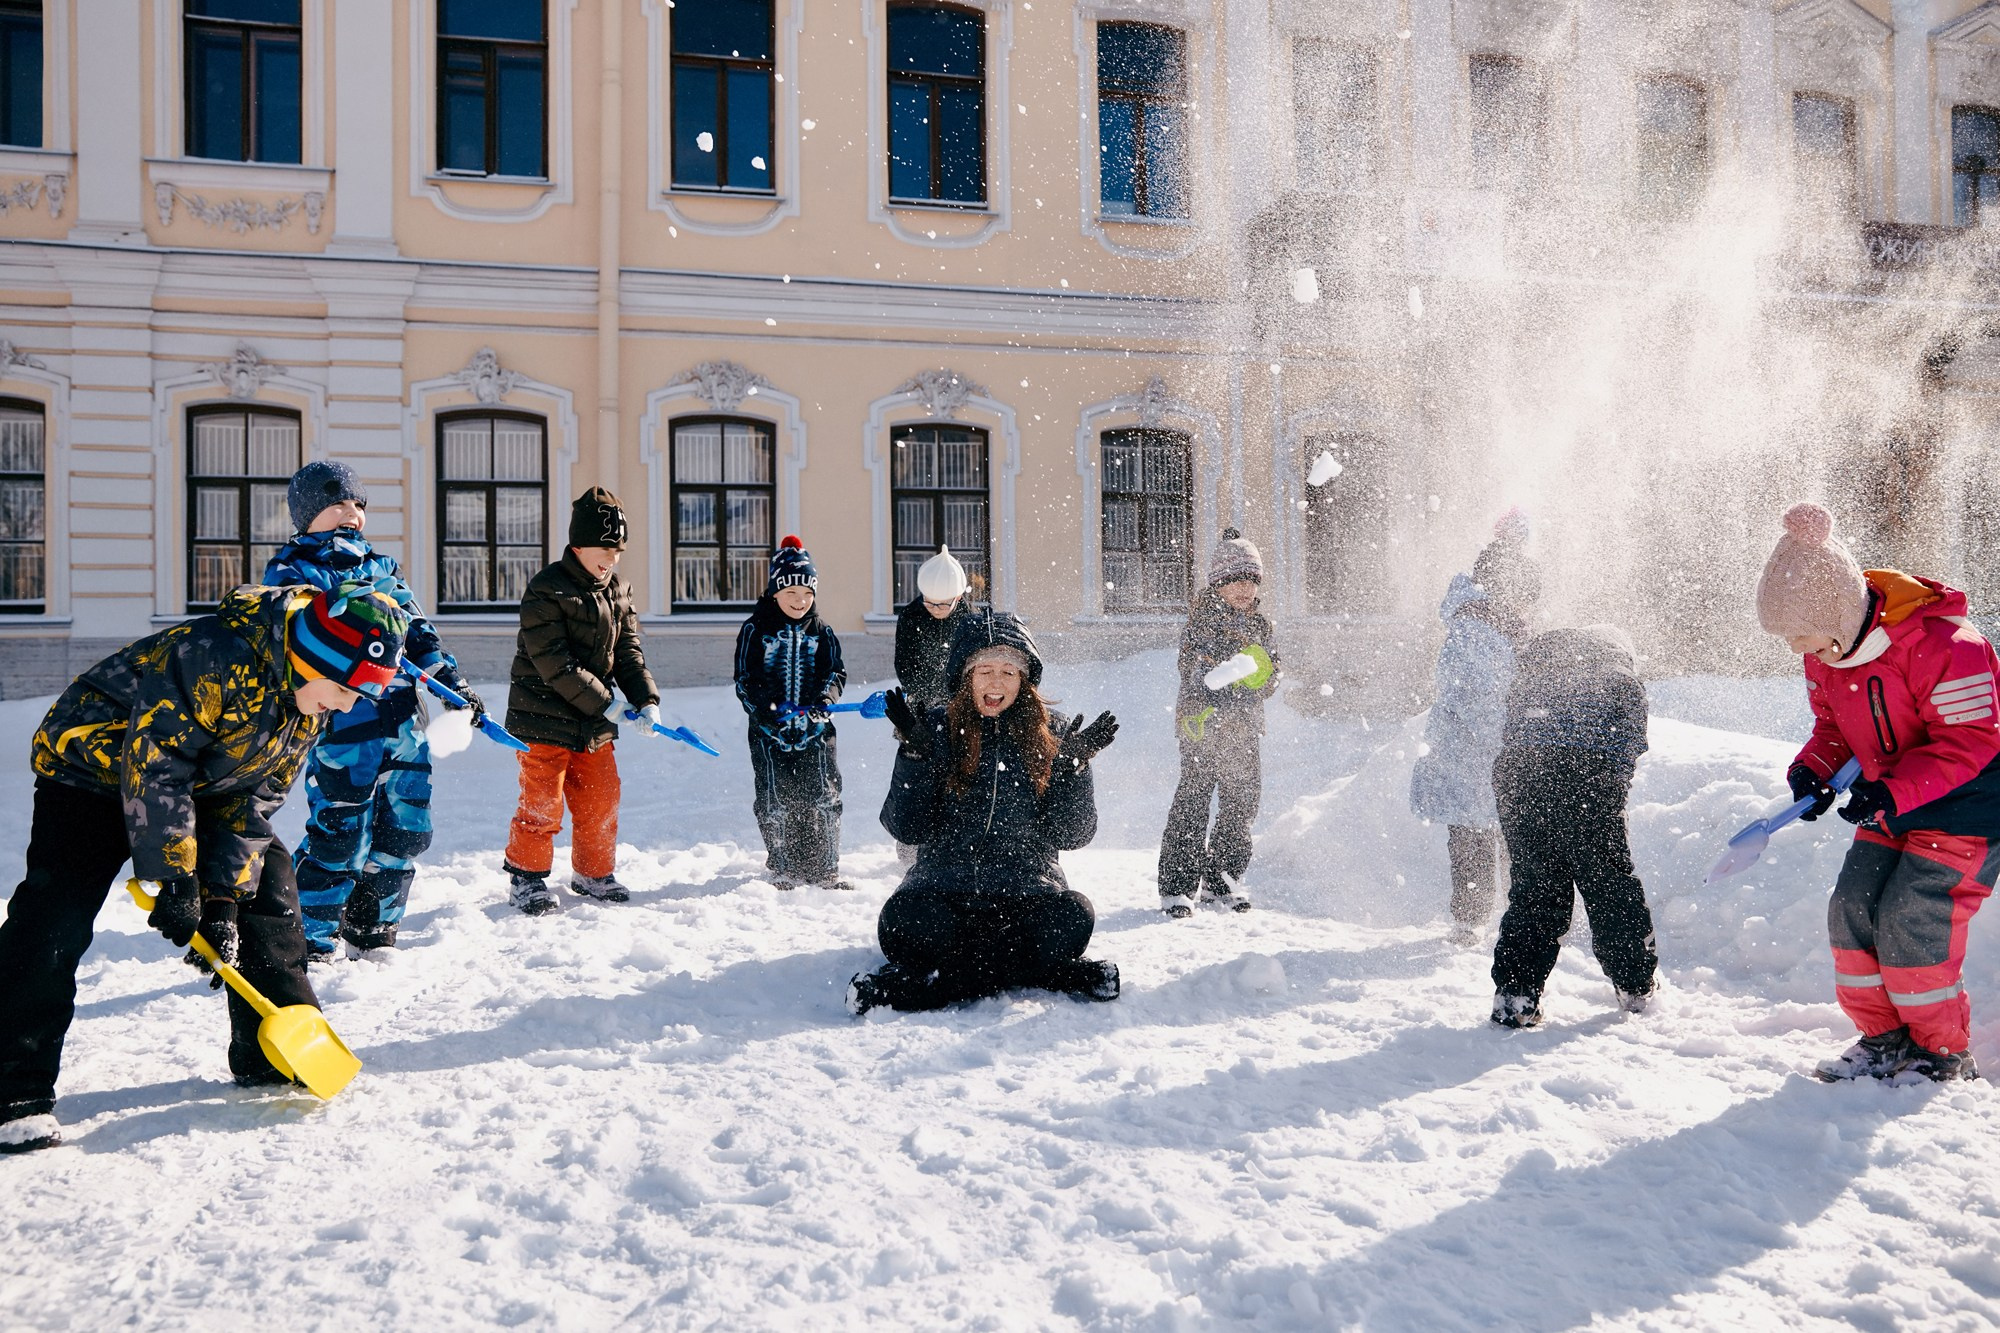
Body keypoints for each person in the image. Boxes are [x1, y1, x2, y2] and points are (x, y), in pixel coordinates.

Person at [0, 581, 409, 1153]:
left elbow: (256, 797)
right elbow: (157, 766)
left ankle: (272, 1049)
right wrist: (174, 879)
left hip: (206, 782)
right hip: (91, 769)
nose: (347, 704)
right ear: (309, 656)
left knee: (269, 897)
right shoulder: (213, 656)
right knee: (54, 917)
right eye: (344, 689)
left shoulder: (306, 697)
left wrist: (220, 897)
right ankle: (15, 1090)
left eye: (359, 695)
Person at [1756, 502, 2000, 1082]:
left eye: (1800, 634)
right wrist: (1813, 772)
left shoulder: (1948, 645)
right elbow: (1835, 729)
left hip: (1966, 808)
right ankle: (1883, 1040)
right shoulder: (1830, 653)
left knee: (1912, 921)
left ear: (1838, 615)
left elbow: (1970, 742)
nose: (1796, 649)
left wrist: (1889, 791)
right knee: (1852, 910)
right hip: (1892, 802)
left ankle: (1941, 1054)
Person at [263, 460, 485, 961]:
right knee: (340, 835)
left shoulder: (382, 568)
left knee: (404, 831)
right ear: (307, 514)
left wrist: (453, 684)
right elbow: (297, 640)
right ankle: (307, 937)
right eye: (337, 504)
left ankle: (372, 929)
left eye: (358, 505)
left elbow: (420, 633)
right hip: (343, 723)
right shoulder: (293, 570)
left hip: (404, 720)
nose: (351, 514)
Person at [849, 610, 1121, 1013]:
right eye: (985, 671)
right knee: (902, 920)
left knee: (1074, 915)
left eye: (1009, 672)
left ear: (1025, 681)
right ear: (966, 676)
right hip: (942, 896)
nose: (996, 682)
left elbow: (1073, 835)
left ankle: (924, 987)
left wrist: (1073, 769)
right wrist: (915, 755)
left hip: (1027, 898)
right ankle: (1051, 973)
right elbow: (906, 828)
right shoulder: (934, 728)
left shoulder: (1057, 734)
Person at [502, 488, 661, 916]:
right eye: (604, 548)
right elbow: (554, 661)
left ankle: (593, 872)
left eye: (618, 550)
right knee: (543, 801)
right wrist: (607, 703)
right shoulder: (545, 590)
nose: (611, 559)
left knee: (602, 796)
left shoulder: (619, 589)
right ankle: (527, 878)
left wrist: (645, 698)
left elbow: (627, 650)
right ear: (577, 545)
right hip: (543, 716)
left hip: (593, 721)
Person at [1489, 624, 1655, 1029]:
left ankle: (1515, 994)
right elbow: (1631, 747)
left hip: (1519, 778)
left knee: (1535, 889)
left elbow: (1512, 734)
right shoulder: (1622, 680)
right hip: (1587, 778)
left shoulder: (1532, 675)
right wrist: (1609, 799)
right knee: (1609, 887)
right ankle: (1635, 986)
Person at [1409, 516, 1541, 944]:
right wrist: (1505, 733)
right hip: (1470, 752)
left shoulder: (1506, 629)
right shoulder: (1474, 631)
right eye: (1525, 600)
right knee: (1473, 835)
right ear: (1507, 592)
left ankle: (1510, 911)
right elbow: (1469, 694)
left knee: (1505, 832)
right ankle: (1470, 918)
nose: (1529, 610)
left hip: (1496, 752)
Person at [1158, 528, 1281, 917]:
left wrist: (1264, 676)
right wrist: (1230, 674)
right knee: (1193, 803)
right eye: (1236, 582)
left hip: (1244, 730)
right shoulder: (1201, 622)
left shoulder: (1261, 626)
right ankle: (1177, 887)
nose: (1244, 590)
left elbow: (1271, 673)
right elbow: (1194, 671)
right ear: (1218, 585)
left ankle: (1222, 880)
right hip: (1203, 727)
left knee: (1241, 805)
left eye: (1251, 581)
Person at [734, 535, 848, 890]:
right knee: (776, 797)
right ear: (774, 593)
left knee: (823, 795)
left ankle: (824, 867)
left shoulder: (823, 631)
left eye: (807, 594)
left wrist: (826, 701)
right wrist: (768, 710)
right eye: (791, 594)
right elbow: (744, 679)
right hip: (770, 735)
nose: (800, 602)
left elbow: (835, 673)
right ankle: (785, 866)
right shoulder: (755, 629)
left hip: (815, 732)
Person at [892, 545, 979, 864]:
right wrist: (925, 699)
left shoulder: (970, 619)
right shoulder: (911, 617)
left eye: (944, 603)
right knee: (917, 774)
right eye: (930, 602)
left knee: (959, 775)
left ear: (957, 598)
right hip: (922, 711)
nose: (936, 608)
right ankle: (910, 845)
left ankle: (955, 841)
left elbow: (975, 666)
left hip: (962, 711)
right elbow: (905, 665)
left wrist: (958, 700)